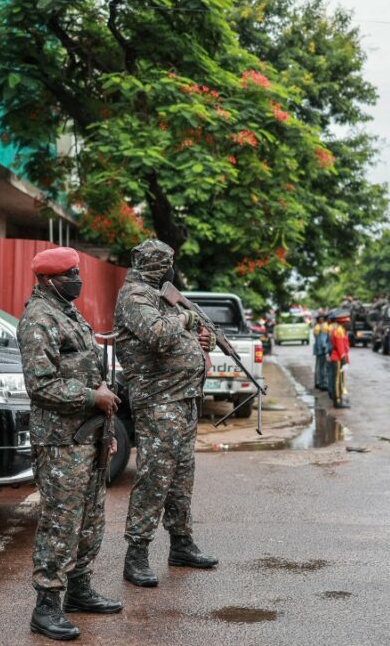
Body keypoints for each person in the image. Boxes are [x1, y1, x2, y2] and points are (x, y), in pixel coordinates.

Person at [17, 247, 123, 641]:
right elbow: (40, 385)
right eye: (70, 274)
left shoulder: (67, 311)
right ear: (47, 279)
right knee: (60, 522)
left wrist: (103, 427)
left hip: (88, 437)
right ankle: (46, 607)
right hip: (60, 442)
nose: (77, 279)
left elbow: (89, 367)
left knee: (90, 519)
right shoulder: (38, 319)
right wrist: (91, 398)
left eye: (77, 272)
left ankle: (79, 590)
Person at [114, 239, 217, 589]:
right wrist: (186, 318)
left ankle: (181, 544)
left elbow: (191, 333)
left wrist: (202, 340)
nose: (173, 269)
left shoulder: (162, 298)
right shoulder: (135, 297)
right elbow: (158, 334)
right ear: (159, 265)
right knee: (155, 477)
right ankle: (137, 554)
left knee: (181, 476)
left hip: (184, 399)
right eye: (169, 263)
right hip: (159, 402)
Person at [328, 312, 351, 408]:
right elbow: (340, 347)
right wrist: (343, 359)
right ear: (343, 322)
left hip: (338, 358)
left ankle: (339, 398)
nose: (348, 324)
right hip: (338, 358)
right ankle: (337, 400)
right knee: (338, 380)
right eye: (347, 322)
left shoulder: (340, 330)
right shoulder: (339, 331)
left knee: (340, 379)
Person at [312, 313, 330, 390]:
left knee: (319, 367)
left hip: (317, 349)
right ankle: (324, 384)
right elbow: (323, 341)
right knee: (324, 367)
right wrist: (326, 349)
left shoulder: (316, 327)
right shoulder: (324, 327)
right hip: (322, 350)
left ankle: (318, 382)